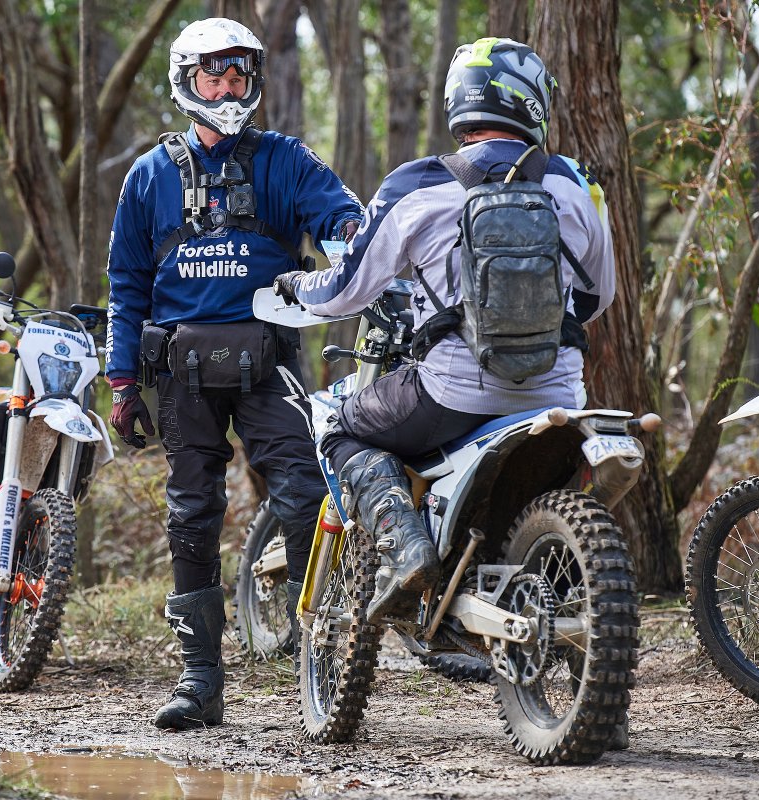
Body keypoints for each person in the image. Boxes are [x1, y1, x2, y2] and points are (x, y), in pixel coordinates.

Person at [274, 37, 617, 621]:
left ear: (460, 101)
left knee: (337, 426)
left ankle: (404, 546)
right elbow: (596, 296)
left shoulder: (418, 184)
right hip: (557, 390)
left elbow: (344, 291)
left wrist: (296, 286)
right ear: (531, 101)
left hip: (450, 391)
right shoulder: (575, 185)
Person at [104, 17, 364, 731]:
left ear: (252, 81)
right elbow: (125, 282)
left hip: (270, 362)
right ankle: (201, 681)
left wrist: (352, 236)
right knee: (191, 515)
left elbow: (340, 215)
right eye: (212, 76)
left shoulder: (285, 159)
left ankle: (328, 658)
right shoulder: (149, 175)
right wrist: (122, 381)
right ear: (186, 82)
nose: (226, 88)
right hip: (182, 374)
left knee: (307, 491)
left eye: (238, 76)